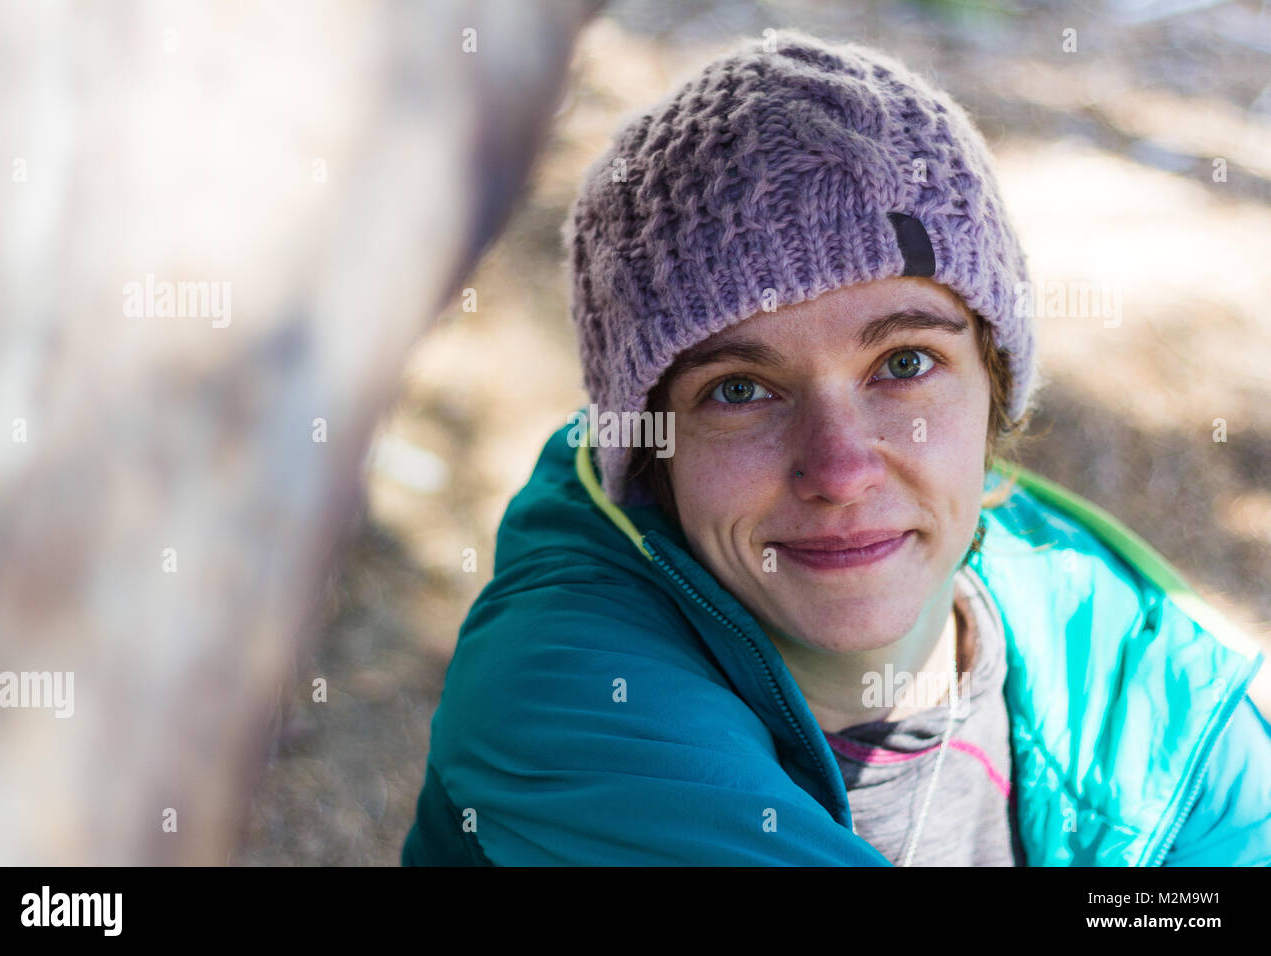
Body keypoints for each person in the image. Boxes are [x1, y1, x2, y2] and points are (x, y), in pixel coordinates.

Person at [402, 29, 1271, 866]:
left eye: (903, 363)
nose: (842, 469)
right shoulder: (566, 692)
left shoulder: (1146, 682)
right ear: (653, 455)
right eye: (739, 389)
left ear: (995, 390)